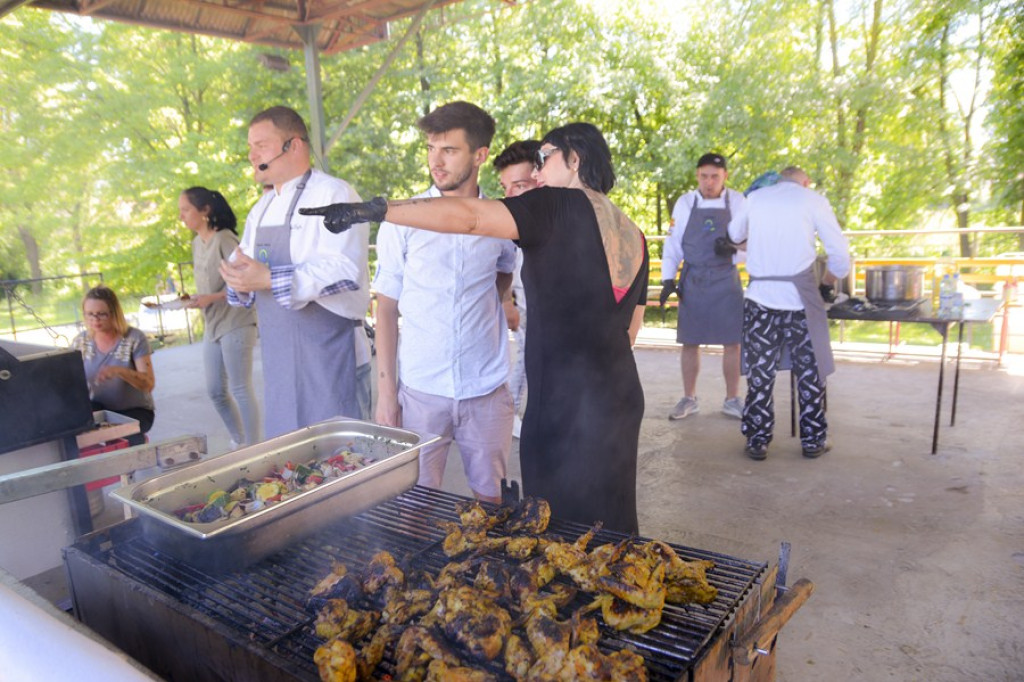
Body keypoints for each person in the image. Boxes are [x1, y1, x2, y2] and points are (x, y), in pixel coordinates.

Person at [301, 122, 649, 534]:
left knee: (559, 531)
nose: (536, 173)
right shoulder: (633, 232)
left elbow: (469, 217)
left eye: (544, 158)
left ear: (574, 160)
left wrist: (379, 210)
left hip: (564, 404)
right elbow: (630, 331)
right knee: (614, 525)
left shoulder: (556, 205)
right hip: (619, 396)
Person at [371, 101, 517, 505]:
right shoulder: (401, 218)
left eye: (449, 150)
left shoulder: (502, 218)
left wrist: (488, 306)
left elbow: (503, 272)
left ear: (480, 155)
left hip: (485, 388)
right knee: (413, 505)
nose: (436, 161)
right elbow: (385, 307)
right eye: (431, 148)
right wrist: (386, 395)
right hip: (420, 388)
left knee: (492, 507)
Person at [220, 105, 371, 438]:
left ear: (295, 145)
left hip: (330, 358)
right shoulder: (260, 209)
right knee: (292, 462)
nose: (251, 155)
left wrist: (270, 279)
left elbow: (345, 269)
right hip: (280, 365)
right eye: (249, 147)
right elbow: (245, 269)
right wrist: (239, 282)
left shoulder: (335, 194)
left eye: (261, 145)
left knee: (344, 461)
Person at [727, 166, 850, 460]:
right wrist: (826, 284)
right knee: (810, 373)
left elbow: (733, 233)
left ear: (779, 180)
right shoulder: (814, 200)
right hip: (800, 301)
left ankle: (757, 440)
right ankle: (813, 440)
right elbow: (841, 257)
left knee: (760, 375)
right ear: (805, 182)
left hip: (759, 301)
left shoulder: (755, 199)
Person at [660, 152, 747, 421]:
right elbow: (673, 244)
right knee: (690, 340)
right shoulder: (686, 203)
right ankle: (689, 398)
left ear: (725, 176)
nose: (709, 182)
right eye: (704, 176)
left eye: (715, 177)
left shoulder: (739, 201)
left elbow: (753, 243)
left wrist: (733, 250)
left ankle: (733, 399)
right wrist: (667, 279)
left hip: (726, 277)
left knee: (733, 342)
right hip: (694, 277)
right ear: (697, 176)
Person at [179, 186, 261, 447]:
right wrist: (196, 299)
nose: (181, 216)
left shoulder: (225, 239)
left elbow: (244, 280)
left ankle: (254, 446)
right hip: (212, 324)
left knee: (239, 387)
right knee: (215, 391)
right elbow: (208, 285)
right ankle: (238, 441)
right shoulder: (196, 243)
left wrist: (210, 298)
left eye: (186, 210)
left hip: (236, 321)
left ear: (205, 211)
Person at [493, 139, 541, 438]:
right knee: (526, 356)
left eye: (519, 186)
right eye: (505, 187)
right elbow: (504, 266)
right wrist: (507, 301)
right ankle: (510, 413)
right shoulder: (508, 222)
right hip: (524, 302)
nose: (510, 196)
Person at [72, 285, 155, 446]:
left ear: (114, 313)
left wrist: (120, 371)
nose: (95, 320)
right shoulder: (80, 341)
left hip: (134, 411)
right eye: (90, 314)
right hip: (99, 409)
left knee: (120, 441)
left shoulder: (134, 338)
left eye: (101, 314)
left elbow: (149, 384)